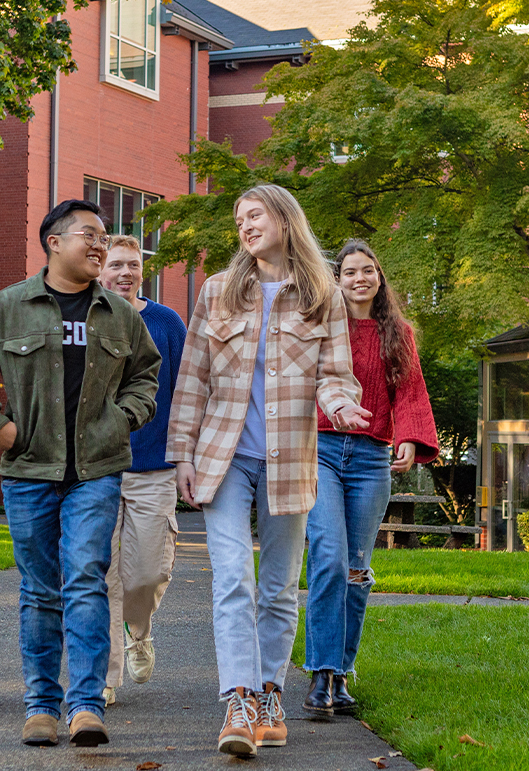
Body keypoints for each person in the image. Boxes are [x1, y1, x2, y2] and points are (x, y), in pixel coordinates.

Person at [0, 199, 161, 748]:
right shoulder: (7, 307)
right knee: (41, 588)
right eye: (88, 235)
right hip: (29, 470)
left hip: (97, 469)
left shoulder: (121, 314)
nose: (99, 245)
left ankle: (86, 706)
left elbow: (146, 377)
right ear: (53, 242)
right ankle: (41, 704)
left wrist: (121, 420)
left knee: (86, 576)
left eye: (104, 237)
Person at [167, 184, 369, 757]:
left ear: (284, 219)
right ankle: (238, 699)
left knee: (278, 586)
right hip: (223, 457)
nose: (244, 226)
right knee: (232, 578)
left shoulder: (322, 295)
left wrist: (340, 405)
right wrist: (183, 453)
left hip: (292, 457)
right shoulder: (217, 291)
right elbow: (193, 378)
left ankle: (271, 694)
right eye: (238, 220)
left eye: (254, 215)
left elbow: (336, 374)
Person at [301, 239, 438, 716]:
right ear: (337, 280)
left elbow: (410, 389)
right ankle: (320, 674)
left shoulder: (397, 331)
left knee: (357, 567)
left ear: (380, 278)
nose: (360, 278)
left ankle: (341, 674)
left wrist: (411, 437)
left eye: (369, 271)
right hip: (319, 450)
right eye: (351, 272)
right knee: (329, 558)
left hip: (371, 457)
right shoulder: (322, 326)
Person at [97, 235, 186, 705]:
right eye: (116, 266)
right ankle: (106, 679)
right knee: (105, 575)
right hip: (98, 468)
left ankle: (140, 630)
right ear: (100, 269)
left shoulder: (166, 322)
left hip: (154, 466)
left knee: (148, 572)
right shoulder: (87, 317)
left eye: (133, 265)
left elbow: (190, 389)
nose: (126, 273)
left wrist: (188, 453)